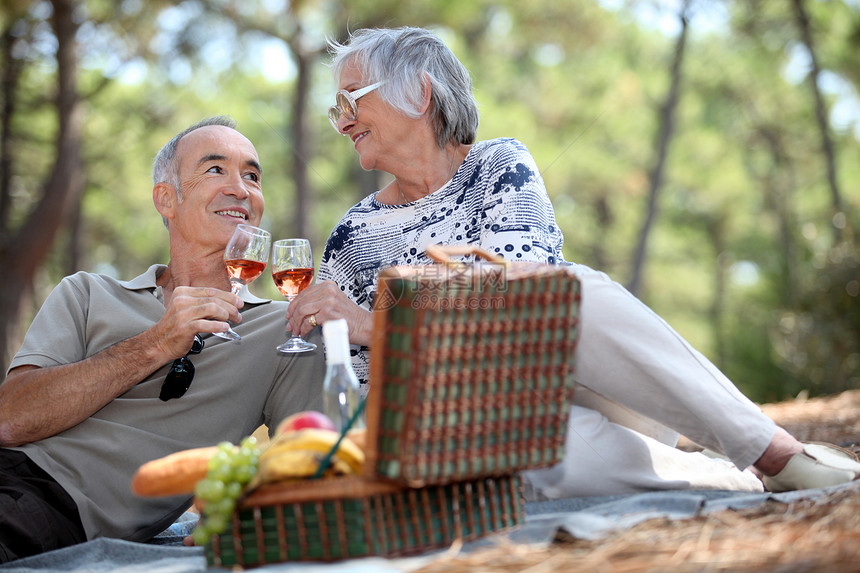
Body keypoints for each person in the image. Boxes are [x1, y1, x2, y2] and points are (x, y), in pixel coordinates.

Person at [285, 26, 860, 498]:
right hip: (470, 422)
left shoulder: (497, 166)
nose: (340, 121)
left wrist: (376, 318)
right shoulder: (353, 233)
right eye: (335, 107)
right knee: (531, 459)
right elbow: (355, 381)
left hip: (579, 381)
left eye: (350, 100)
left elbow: (522, 293)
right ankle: (727, 472)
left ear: (421, 93)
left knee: (571, 287)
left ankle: (775, 452)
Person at [0, 116, 325, 562]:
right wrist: (157, 342)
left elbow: (312, 461)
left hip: (48, 509)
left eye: (252, 175)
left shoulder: (284, 331)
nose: (240, 189)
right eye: (216, 170)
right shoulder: (86, 292)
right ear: (166, 199)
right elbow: (11, 418)